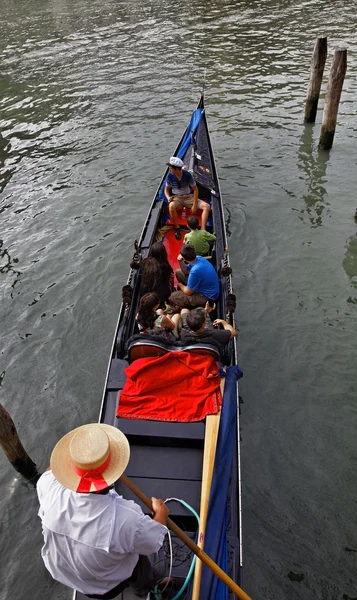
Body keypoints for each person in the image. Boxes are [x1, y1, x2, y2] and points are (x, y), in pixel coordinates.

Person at [36, 423, 169, 599]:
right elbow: (152, 542)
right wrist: (162, 513)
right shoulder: (127, 519)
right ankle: (145, 586)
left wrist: (69, 465)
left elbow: (49, 472)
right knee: (139, 564)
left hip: (65, 573)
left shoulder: (47, 485)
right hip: (107, 586)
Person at [164, 156, 211, 240]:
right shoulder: (170, 176)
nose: (169, 169)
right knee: (171, 206)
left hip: (189, 197)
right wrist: (168, 197)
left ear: (177, 169)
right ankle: (177, 228)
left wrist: (194, 204)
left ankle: (203, 230)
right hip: (177, 198)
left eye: (171, 168)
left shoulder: (187, 175)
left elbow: (195, 190)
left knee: (206, 207)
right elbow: (166, 190)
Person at [169, 244, 220, 309]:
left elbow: (188, 292)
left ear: (184, 258)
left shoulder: (195, 271)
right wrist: (180, 261)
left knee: (174, 296)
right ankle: (187, 289)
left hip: (208, 297)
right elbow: (186, 271)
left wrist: (180, 284)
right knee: (179, 272)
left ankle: (186, 304)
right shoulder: (199, 258)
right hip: (206, 287)